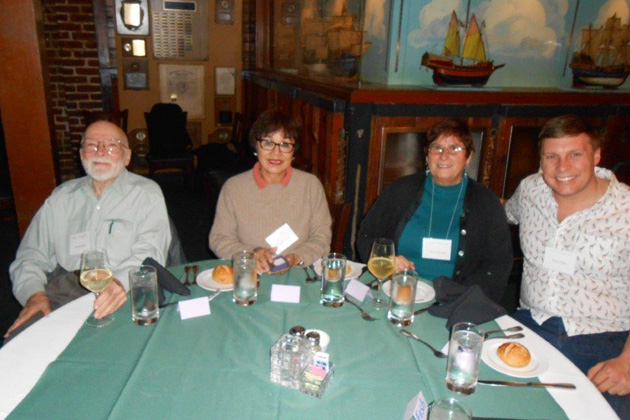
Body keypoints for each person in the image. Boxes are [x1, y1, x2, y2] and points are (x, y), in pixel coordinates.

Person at [505, 114, 629, 419]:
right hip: (529, 326)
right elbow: (499, 213)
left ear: (596, 155)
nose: (562, 168)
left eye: (575, 155)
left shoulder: (626, 210)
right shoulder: (531, 190)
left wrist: (627, 362)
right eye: (552, 156)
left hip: (603, 340)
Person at [4, 121, 171, 342]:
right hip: (67, 290)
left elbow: (150, 251)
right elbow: (30, 255)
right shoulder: (61, 198)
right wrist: (34, 295)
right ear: (82, 153)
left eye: (111, 145)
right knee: (20, 345)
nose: (100, 151)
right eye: (91, 145)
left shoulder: (146, 193)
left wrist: (119, 282)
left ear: (127, 156)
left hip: (126, 288)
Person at [357, 119, 512, 304]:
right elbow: (366, 236)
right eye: (436, 148)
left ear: (469, 156)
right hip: (394, 291)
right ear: (426, 156)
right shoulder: (400, 191)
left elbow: (498, 266)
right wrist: (387, 260)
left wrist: (460, 300)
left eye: (454, 148)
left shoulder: (486, 204)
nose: (444, 156)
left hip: (453, 302)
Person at [209, 110, 331, 273]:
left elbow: (321, 238)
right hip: (249, 271)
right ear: (255, 147)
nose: (276, 152)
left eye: (285, 144)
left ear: (293, 152)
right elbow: (219, 239)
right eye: (268, 143)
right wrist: (252, 254)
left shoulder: (310, 185)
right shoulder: (233, 188)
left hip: (299, 273)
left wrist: (296, 257)